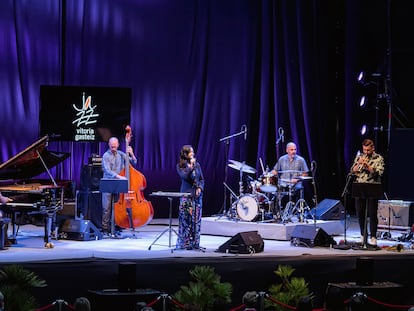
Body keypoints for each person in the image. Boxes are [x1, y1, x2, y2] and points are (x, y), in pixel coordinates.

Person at [350, 138, 384, 246]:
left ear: (372, 148)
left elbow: (378, 173)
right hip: (360, 186)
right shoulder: (359, 157)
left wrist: (368, 166)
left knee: (372, 213)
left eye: (368, 150)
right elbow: (352, 171)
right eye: (364, 150)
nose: (366, 153)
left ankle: (373, 236)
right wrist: (358, 164)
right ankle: (362, 235)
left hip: (372, 187)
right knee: (360, 212)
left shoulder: (379, 158)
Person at [101, 136, 137, 235]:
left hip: (118, 184)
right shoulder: (105, 155)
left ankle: (116, 227)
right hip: (108, 183)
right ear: (109, 145)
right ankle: (105, 229)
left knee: (117, 208)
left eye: (115, 147)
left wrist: (132, 154)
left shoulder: (121, 154)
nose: (113, 148)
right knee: (106, 208)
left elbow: (134, 162)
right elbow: (107, 170)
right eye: (112, 147)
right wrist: (119, 177)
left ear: (118, 145)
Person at [176, 145, 205, 250]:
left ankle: (195, 243)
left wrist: (200, 188)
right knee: (186, 220)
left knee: (196, 220)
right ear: (185, 154)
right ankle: (185, 243)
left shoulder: (197, 165)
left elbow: (202, 179)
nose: (193, 154)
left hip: (197, 197)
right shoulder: (180, 166)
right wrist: (191, 166)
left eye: (193, 152)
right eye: (191, 152)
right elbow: (186, 177)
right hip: (186, 196)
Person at [270, 142, 309, 219]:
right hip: (283, 183)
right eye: (291, 150)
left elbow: (305, 173)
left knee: (298, 189)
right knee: (274, 191)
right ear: (287, 150)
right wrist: (268, 174)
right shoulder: (281, 159)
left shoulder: (301, 160)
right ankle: (277, 213)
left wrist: (297, 179)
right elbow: (275, 171)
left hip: (296, 184)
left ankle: (297, 212)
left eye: (295, 149)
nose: (294, 151)